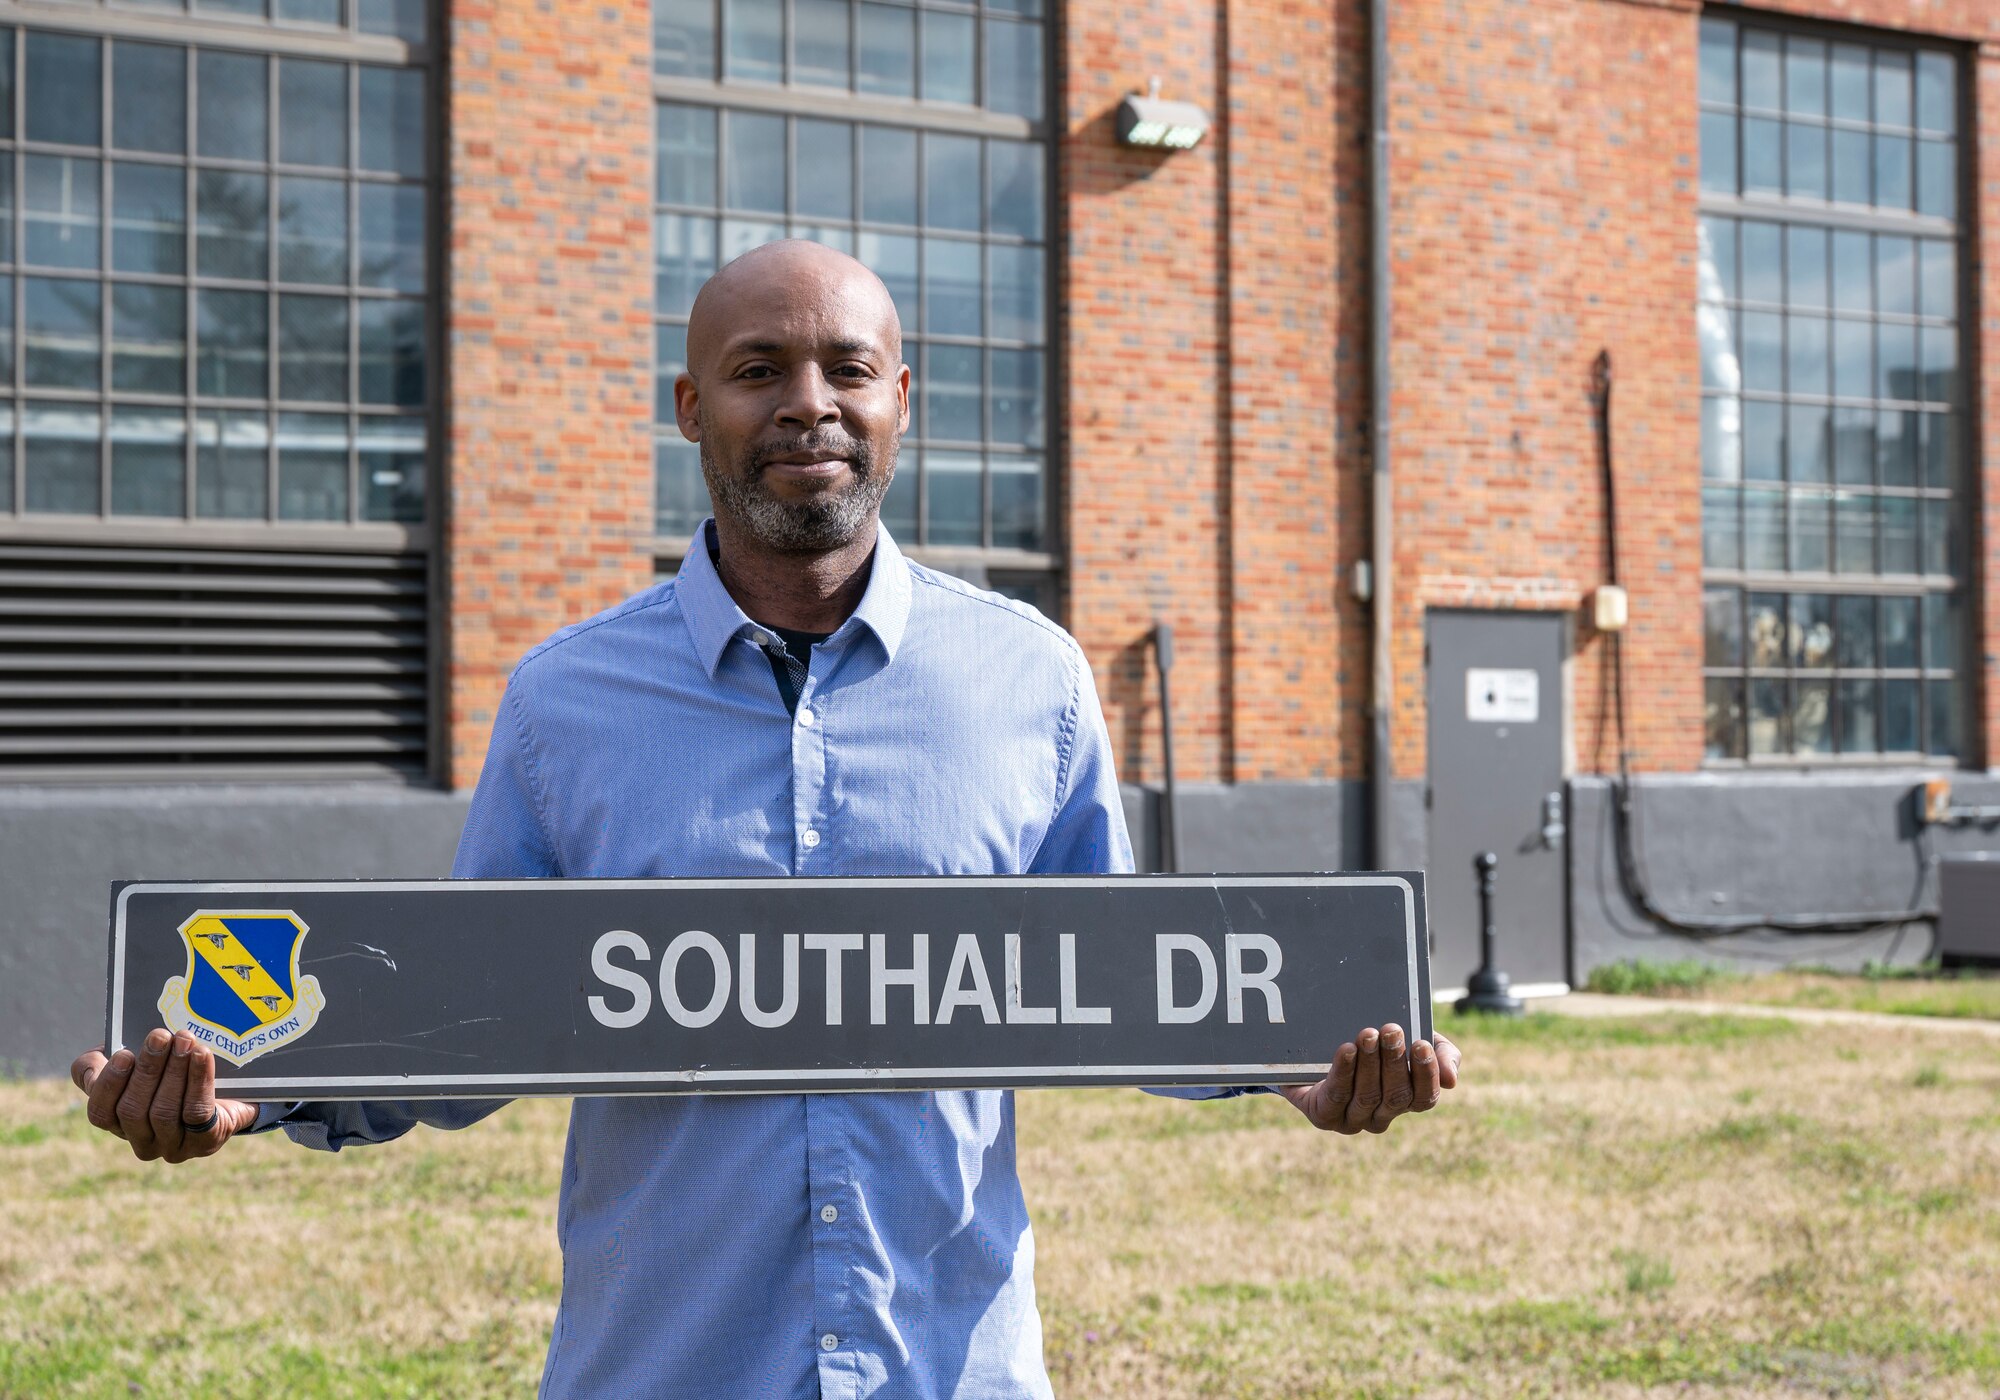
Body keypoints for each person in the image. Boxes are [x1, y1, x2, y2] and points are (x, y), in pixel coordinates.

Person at [71, 240, 1462, 1398]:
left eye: (849, 369)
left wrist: (1295, 1067)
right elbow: (465, 1014)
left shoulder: (1028, 680)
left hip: (952, 1366)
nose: (812, 403)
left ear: (901, 397)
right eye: (759, 371)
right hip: (662, 1365)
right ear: (690, 406)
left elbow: (1121, 982)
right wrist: (256, 1094)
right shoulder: (566, 704)